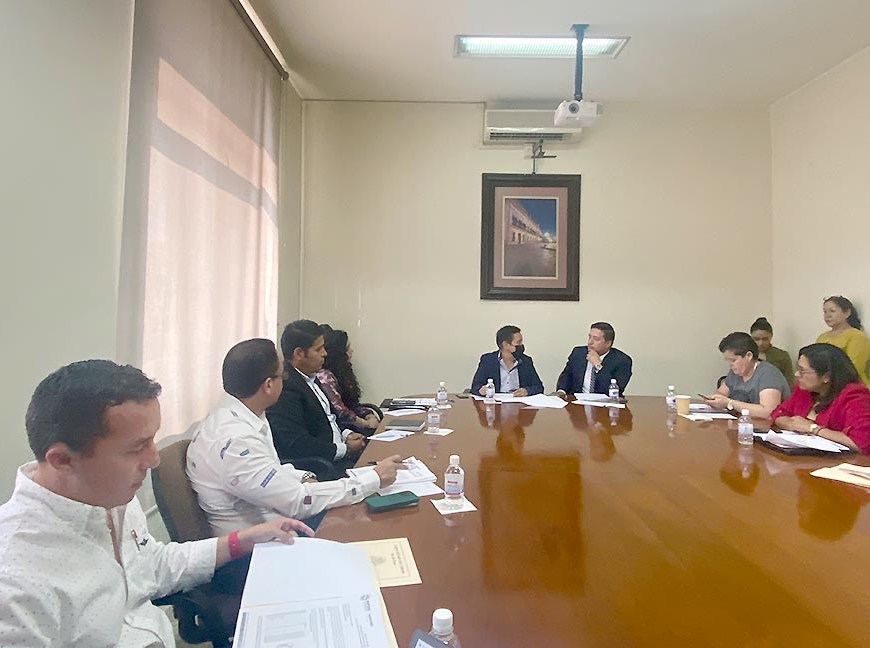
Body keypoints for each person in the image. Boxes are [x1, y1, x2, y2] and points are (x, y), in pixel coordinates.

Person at [0, 360, 313, 648]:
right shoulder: (15, 582)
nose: (154, 459)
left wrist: (241, 541)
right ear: (63, 460)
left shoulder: (109, 497)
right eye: (137, 447)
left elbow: (151, 565)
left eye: (152, 440)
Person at [187, 339, 404, 537]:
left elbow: (269, 470)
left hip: (277, 522)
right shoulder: (235, 439)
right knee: (376, 528)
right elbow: (298, 501)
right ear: (268, 385)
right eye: (282, 376)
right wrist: (372, 479)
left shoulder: (242, 413)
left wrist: (303, 476)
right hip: (258, 549)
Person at [267, 320, 367, 479]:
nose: (325, 354)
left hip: (340, 452)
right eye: (318, 349)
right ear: (299, 353)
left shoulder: (312, 377)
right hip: (324, 466)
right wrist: (345, 450)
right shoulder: (286, 388)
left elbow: (330, 418)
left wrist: (347, 433)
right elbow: (297, 443)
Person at [771, 343, 870, 453]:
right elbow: (778, 414)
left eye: (802, 371)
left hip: (840, 461)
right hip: (801, 456)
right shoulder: (804, 389)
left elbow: (860, 443)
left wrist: (813, 429)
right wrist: (792, 424)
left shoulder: (855, 395)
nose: (797, 374)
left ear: (826, 376)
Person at [705, 332, 790, 418]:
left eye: (733, 360)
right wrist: (715, 400)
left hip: (764, 424)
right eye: (727, 360)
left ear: (749, 356)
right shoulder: (736, 371)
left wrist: (729, 403)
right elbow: (721, 393)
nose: (730, 365)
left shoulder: (769, 374)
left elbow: (768, 411)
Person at [317, 327, 381, 434]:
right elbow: (340, 412)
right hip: (343, 429)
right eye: (347, 348)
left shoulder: (344, 371)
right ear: (338, 353)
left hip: (354, 423)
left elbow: (353, 404)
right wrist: (366, 423)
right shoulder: (324, 377)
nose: (351, 351)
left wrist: (368, 415)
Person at [555, 322, 632, 398]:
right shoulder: (578, 353)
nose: (590, 342)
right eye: (589, 337)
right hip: (577, 401)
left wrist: (598, 366)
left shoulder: (622, 361)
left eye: (596, 339)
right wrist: (561, 391)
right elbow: (566, 375)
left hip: (605, 404)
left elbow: (613, 391)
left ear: (608, 343)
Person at [471, 325, 544, 397]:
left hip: (518, 401)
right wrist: (482, 390)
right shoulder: (488, 361)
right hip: (496, 402)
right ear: (506, 345)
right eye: (518, 343)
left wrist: (527, 391)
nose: (521, 345)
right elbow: (475, 387)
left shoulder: (525, 361)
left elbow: (539, 387)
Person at [816, 295, 870, 385]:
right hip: (826, 385)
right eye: (825, 312)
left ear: (847, 313)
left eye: (832, 311)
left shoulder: (857, 336)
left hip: (852, 386)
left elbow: (853, 369)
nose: (827, 315)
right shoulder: (822, 337)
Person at [750, 317, 794, 381]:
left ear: (771, 336)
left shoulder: (782, 356)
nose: (761, 343)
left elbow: (789, 381)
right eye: (756, 339)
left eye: (765, 339)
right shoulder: (745, 355)